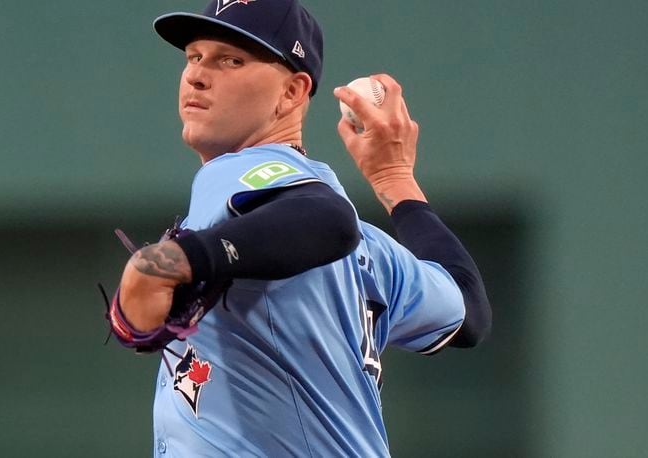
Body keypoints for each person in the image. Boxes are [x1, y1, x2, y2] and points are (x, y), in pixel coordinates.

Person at [110, 0, 491, 455]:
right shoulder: (372, 252)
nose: (197, 75)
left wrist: (179, 259)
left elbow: (327, 219)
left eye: (231, 60)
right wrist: (396, 183)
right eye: (194, 56)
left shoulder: (240, 173)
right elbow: (469, 311)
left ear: (292, 92)